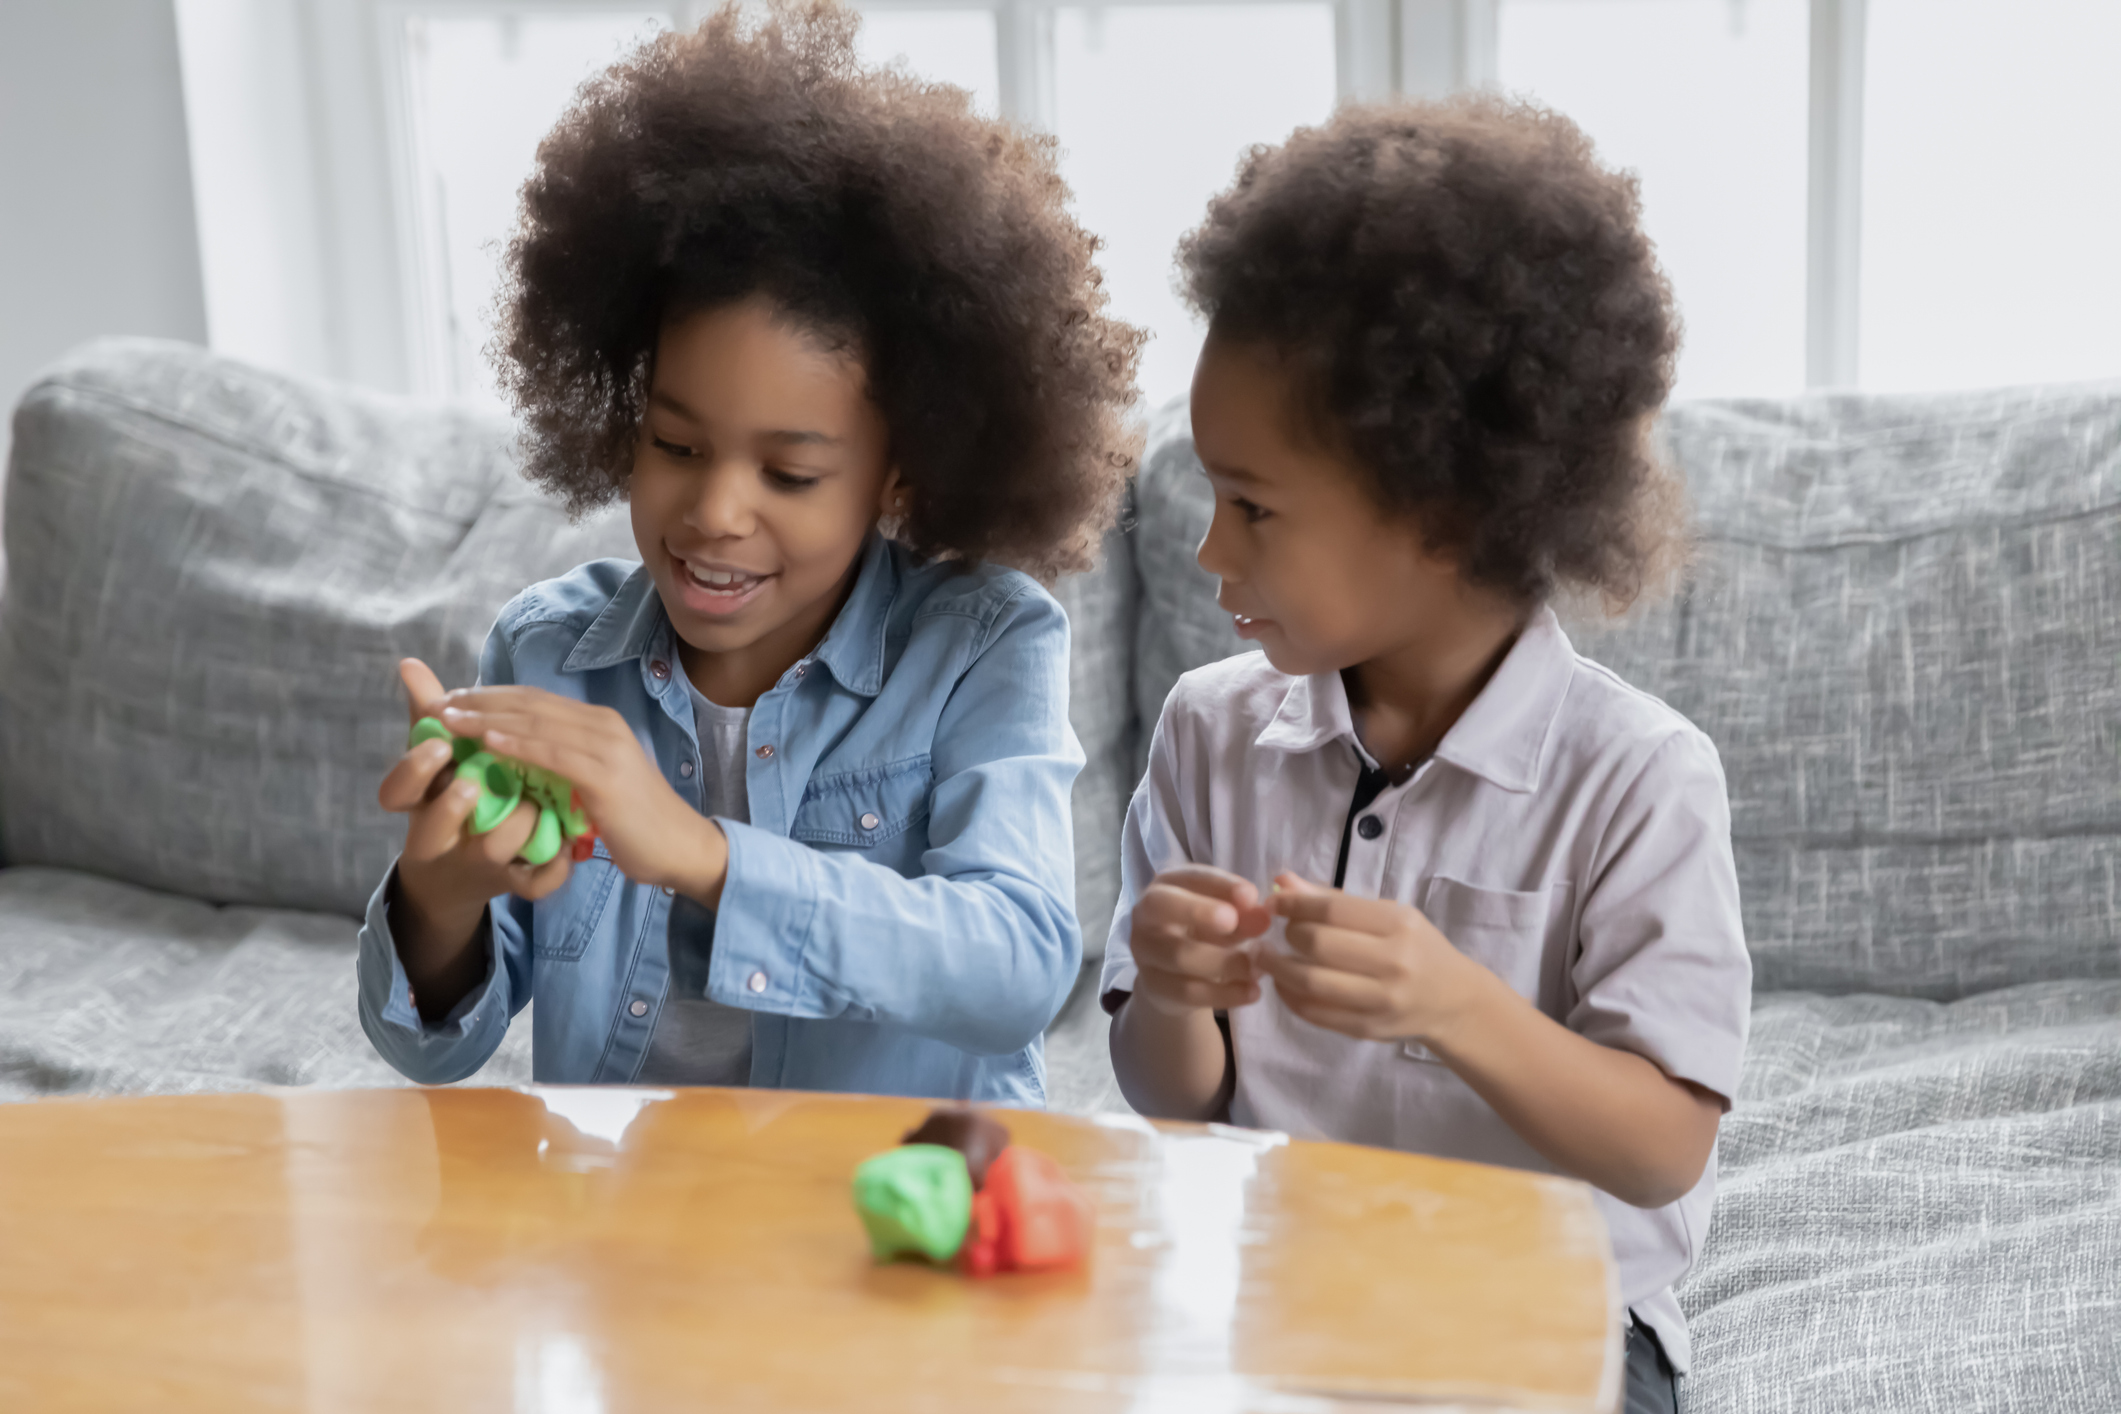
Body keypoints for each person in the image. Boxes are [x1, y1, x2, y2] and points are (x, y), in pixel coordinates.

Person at [357, 1, 1141, 1105]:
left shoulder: (983, 643)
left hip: (881, 1226)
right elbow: (432, 1048)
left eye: (790, 472)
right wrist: (438, 893)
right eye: (676, 442)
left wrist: (696, 851)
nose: (715, 510)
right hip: (627, 1225)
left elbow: (1015, 968)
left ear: (901, 472)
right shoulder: (550, 650)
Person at [1101, 96, 1750, 1414]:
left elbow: (1662, 1144)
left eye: (1256, 507)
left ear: (1447, 511)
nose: (1209, 552)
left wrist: (1454, 1003)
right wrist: (1173, 992)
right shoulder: (1207, 732)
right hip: (1269, 1289)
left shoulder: (1638, 778)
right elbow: (1170, 1098)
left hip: (1545, 1310)